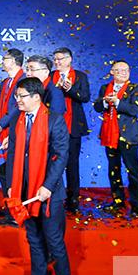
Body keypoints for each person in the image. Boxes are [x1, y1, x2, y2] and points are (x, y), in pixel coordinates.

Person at [6, 77, 72, 275]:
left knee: (55, 244)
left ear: (36, 97)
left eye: (21, 96)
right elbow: (13, 153)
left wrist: (47, 186)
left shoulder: (54, 119)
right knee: (34, 241)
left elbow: (61, 155)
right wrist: (11, 186)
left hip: (47, 194)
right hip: (24, 192)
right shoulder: (18, 119)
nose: (17, 100)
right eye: (17, 96)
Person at [92, 60, 138, 218]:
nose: (123, 73)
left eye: (126, 70)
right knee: (113, 170)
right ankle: (118, 201)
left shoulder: (135, 88)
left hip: (128, 136)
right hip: (109, 134)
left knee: (133, 171)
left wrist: (117, 102)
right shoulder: (105, 88)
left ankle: (136, 205)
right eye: (119, 70)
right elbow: (97, 107)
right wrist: (105, 102)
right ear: (112, 72)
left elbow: (134, 110)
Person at [52, 47, 91, 214]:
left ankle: (73, 201)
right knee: (53, 164)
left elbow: (85, 97)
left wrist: (70, 89)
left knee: (72, 164)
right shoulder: (50, 76)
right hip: (54, 127)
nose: (57, 62)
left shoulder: (80, 76)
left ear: (69, 59)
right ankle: (54, 198)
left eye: (60, 59)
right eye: (55, 59)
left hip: (73, 126)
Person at [0, 48, 24, 227]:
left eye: (5, 58)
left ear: (14, 61)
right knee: (5, 172)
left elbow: (18, 108)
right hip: (4, 131)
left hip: (16, 132)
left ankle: (15, 214)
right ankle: (10, 211)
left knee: (13, 174)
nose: (2, 61)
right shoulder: (6, 81)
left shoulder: (23, 80)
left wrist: (3, 123)